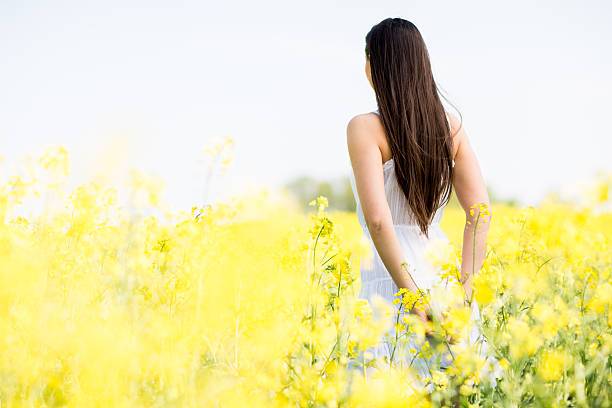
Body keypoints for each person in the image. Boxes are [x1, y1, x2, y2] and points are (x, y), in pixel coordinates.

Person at [347, 17, 501, 386]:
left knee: (385, 387)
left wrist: (412, 299)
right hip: (441, 272)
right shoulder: (452, 127)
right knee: (453, 388)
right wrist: (464, 296)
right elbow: (480, 212)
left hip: (389, 277)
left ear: (376, 65)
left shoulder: (364, 128)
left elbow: (380, 221)